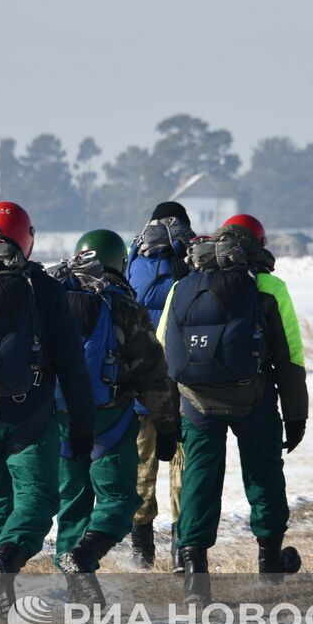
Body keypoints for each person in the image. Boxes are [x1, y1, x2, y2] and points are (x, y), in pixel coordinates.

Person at [0, 202, 94, 618]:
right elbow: (71, 361)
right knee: (37, 497)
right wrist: (83, 424)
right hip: (30, 413)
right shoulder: (43, 288)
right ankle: (10, 559)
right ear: (26, 239)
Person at [158, 215, 308, 600]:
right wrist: (296, 416)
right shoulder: (269, 287)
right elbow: (289, 357)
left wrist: (165, 415)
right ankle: (270, 560)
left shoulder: (183, 285)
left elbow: (163, 352)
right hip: (252, 399)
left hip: (196, 403)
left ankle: (194, 570)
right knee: (264, 475)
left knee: (199, 480)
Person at [50, 229, 176, 601]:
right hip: (110, 420)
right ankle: (85, 555)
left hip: (59, 420)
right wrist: (167, 425)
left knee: (72, 504)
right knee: (120, 501)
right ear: (121, 261)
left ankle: (75, 580)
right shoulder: (122, 304)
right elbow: (152, 372)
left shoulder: (51, 295)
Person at [124, 202, 195, 569]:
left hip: (142, 385)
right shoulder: (194, 257)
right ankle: (182, 547)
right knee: (183, 467)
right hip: (185, 386)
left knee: (141, 467)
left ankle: (141, 549)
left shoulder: (134, 260)